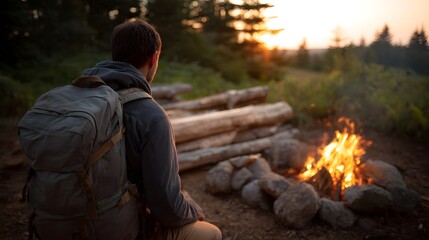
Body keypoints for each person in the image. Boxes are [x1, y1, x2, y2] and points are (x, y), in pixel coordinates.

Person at [80, 18, 222, 240]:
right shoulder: (150, 115)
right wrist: (194, 210)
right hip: (111, 229)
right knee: (211, 234)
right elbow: (167, 207)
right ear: (154, 57)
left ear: (116, 55)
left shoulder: (84, 97)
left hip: (62, 221)